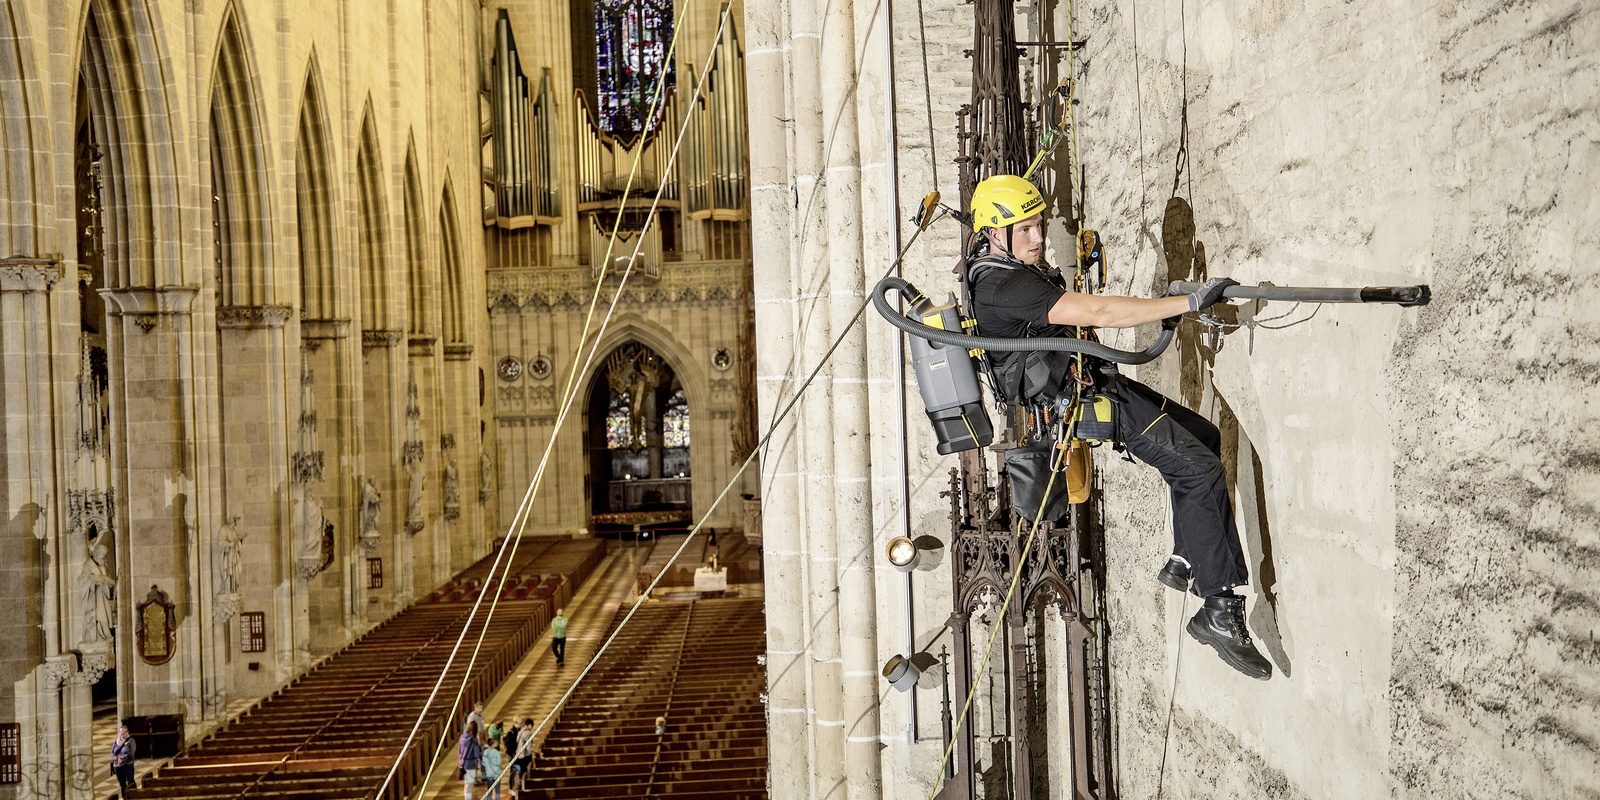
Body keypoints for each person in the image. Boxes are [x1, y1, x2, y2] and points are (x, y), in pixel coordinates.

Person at [963, 174, 1270, 680]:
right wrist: (1186, 304)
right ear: (996, 233)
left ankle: (1188, 558)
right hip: (1082, 398)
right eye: (1026, 229)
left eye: (1039, 225)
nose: (1038, 238)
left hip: (1088, 379)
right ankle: (1219, 609)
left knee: (1203, 439)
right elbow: (1102, 312)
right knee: (1199, 470)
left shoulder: (996, 266)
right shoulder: (1006, 284)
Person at [458, 720, 484, 800]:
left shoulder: (462, 737)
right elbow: (477, 754)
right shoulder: (473, 740)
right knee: (470, 784)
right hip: (471, 764)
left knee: (466, 783)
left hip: (463, 763)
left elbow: (459, 750)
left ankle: (467, 798)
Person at [110, 723, 136, 799]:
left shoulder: (131, 741)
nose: (122, 734)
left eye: (123, 732)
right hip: (117, 766)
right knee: (122, 783)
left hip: (128, 765)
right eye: (120, 732)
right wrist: (116, 759)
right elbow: (112, 753)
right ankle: (124, 797)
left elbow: (131, 753)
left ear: (127, 732)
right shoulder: (116, 742)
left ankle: (133, 796)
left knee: (130, 781)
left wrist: (123, 759)